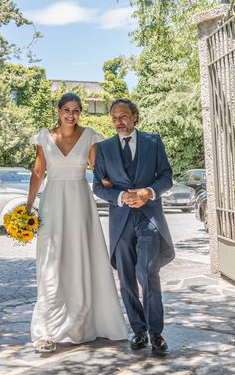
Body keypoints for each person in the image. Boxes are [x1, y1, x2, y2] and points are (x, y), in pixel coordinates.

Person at [25, 92, 127, 353]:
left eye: (76, 110)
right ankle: (47, 329)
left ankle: (82, 322)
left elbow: (98, 170)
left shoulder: (90, 135)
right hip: (53, 202)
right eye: (67, 110)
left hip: (81, 202)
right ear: (58, 111)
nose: (71, 115)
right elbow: (38, 172)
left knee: (81, 257)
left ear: (80, 113)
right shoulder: (44, 137)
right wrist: (28, 207)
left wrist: (119, 188)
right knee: (51, 261)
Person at [92, 98, 175, 355]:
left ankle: (156, 333)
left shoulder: (153, 141)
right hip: (121, 222)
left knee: (147, 273)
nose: (119, 121)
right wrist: (119, 196)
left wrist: (148, 192)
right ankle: (138, 331)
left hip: (149, 218)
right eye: (115, 117)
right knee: (127, 280)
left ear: (135, 116)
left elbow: (166, 176)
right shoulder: (104, 148)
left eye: (124, 116)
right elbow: (97, 186)